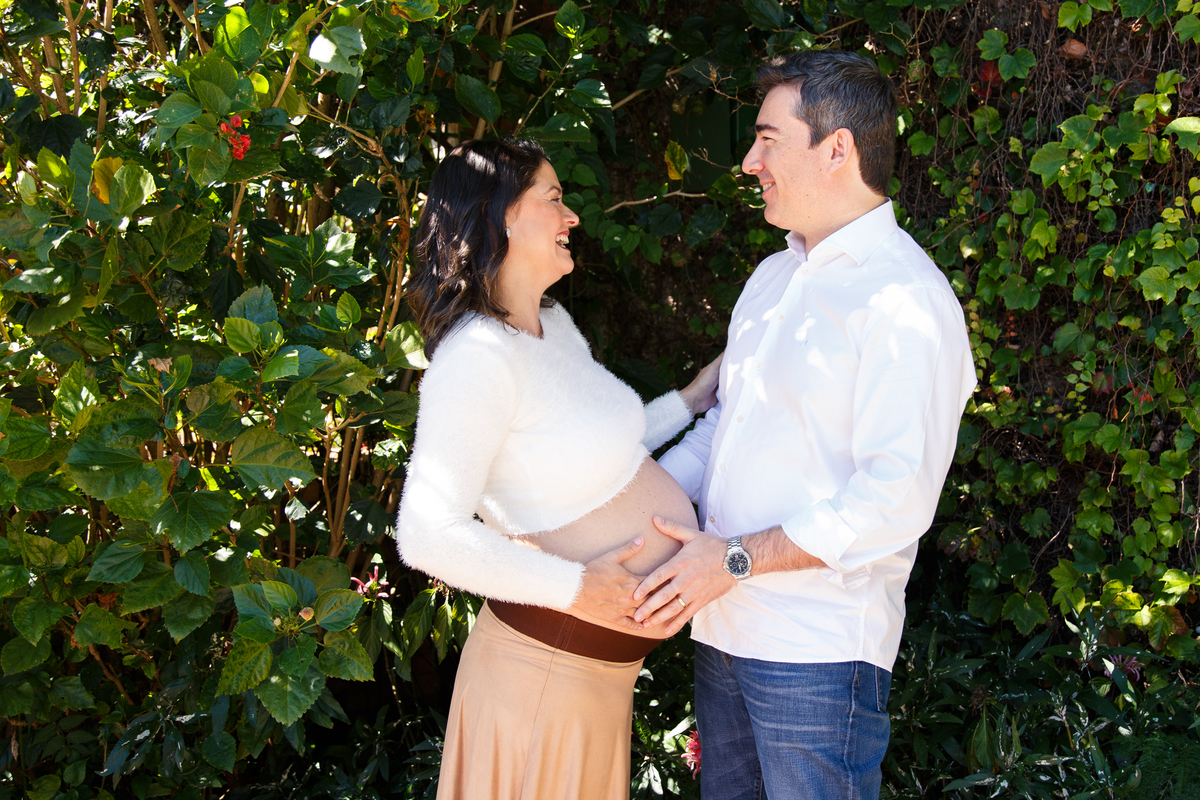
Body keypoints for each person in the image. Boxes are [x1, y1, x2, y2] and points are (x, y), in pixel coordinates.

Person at [628, 51, 977, 799]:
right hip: (721, 631)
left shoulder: (906, 303)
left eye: (767, 139)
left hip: (818, 656)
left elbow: (894, 498)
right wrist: (627, 506)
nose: (751, 161)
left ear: (838, 148)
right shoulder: (773, 277)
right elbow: (723, 431)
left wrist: (734, 560)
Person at [394, 138, 722, 800]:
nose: (572, 218)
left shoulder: (553, 325)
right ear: (500, 218)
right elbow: (426, 534)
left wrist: (691, 400)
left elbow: (606, 449)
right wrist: (575, 587)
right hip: (539, 680)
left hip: (589, 683)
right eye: (554, 199)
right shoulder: (477, 359)